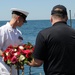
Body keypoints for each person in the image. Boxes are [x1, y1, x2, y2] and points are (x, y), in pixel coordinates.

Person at [27, 4, 75, 75]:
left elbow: (37, 62)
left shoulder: (43, 34)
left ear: (51, 18)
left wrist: (25, 61)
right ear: (66, 18)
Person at [0, 8, 29, 75]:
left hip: (14, 70)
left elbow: (21, 49)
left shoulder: (18, 32)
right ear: (18, 18)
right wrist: (9, 56)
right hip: (3, 69)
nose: (23, 23)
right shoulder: (2, 30)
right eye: (23, 21)